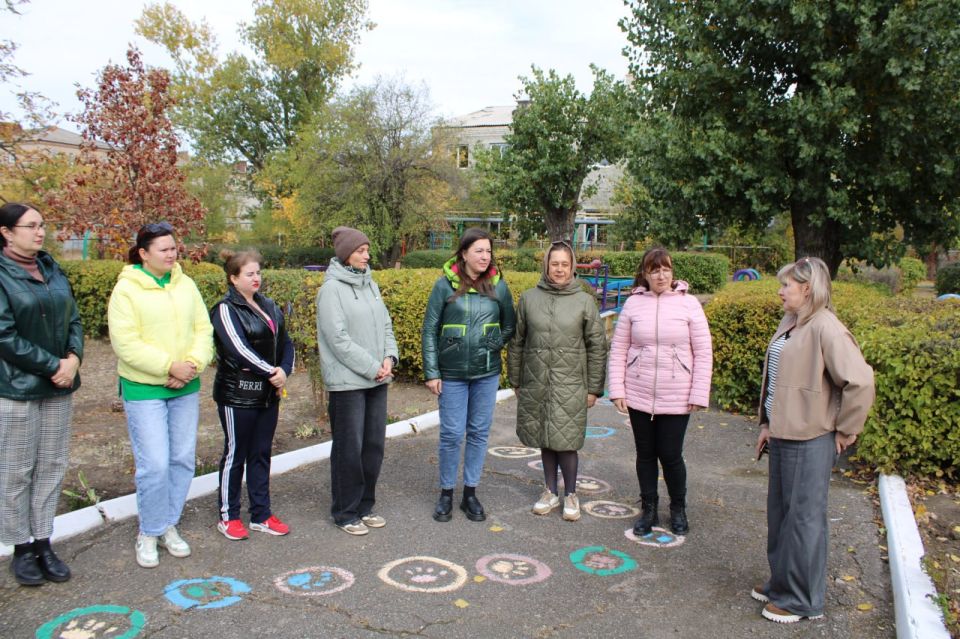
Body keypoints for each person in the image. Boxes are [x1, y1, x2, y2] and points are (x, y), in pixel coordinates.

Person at [752, 257, 874, 624]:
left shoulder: (826, 327)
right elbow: (778, 379)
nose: (780, 291)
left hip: (810, 438)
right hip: (783, 433)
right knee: (781, 516)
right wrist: (767, 424)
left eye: (786, 285)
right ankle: (782, 584)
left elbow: (860, 382)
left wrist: (846, 430)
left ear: (807, 289)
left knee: (804, 520)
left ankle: (802, 599)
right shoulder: (792, 322)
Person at [107, 222, 213, 568]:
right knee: (153, 464)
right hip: (144, 388)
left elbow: (203, 329)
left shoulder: (186, 284)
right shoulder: (126, 290)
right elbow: (126, 343)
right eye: (163, 249)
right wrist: (169, 367)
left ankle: (168, 523)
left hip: (185, 386)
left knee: (181, 458)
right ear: (143, 253)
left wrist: (192, 364)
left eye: (173, 248)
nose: (171, 254)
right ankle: (149, 531)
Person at [0, 203, 82, 586]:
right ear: (6, 232)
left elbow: (73, 319)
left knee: (51, 465)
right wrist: (53, 366)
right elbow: (4, 336)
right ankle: (21, 548)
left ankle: (44, 541)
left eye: (42, 225)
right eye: (30, 226)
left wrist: (74, 359)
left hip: (58, 387)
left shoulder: (51, 268)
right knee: (16, 470)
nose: (40, 232)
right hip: (17, 388)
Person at [608, 247, 712, 537]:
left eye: (666, 269)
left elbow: (703, 352)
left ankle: (678, 507)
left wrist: (698, 393)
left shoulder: (689, 304)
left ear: (672, 272)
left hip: (677, 393)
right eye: (655, 271)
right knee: (645, 454)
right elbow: (619, 349)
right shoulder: (633, 304)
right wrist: (617, 389)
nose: (661, 276)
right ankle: (649, 508)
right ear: (645, 274)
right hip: (639, 391)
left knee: (670, 454)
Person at [421, 228, 516, 523]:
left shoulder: (498, 285)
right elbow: (430, 329)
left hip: (486, 373)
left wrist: (495, 342)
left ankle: (470, 494)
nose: (485, 256)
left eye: (488, 251)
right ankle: (446, 494)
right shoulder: (443, 285)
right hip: (451, 374)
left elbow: (510, 325)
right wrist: (432, 371)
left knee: (478, 433)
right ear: (464, 253)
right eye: (479, 251)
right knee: (451, 434)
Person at [508, 241, 606, 522]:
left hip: (571, 383)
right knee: (545, 437)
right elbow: (517, 342)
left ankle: (571, 494)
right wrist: (516, 379)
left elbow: (597, 346)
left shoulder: (584, 301)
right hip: (537, 380)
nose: (559, 269)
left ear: (572, 266)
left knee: (566, 440)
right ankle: (550, 491)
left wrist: (594, 388)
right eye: (555, 264)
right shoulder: (529, 299)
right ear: (546, 266)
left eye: (565, 264)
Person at [316, 227, 398, 536]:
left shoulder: (370, 284)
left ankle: (365, 506)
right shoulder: (331, 290)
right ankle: (345, 512)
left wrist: (389, 357)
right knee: (349, 449)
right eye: (361, 250)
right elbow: (337, 339)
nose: (367, 255)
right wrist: (372, 367)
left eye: (367, 250)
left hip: (377, 378)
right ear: (345, 254)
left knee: (373, 447)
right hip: (348, 383)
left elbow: (386, 324)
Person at [211, 250, 295, 541]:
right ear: (233, 278)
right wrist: (271, 371)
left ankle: (261, 514)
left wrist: (284, 370)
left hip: (268, 394)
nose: (256, 278)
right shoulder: (225, 309)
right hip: (237, 394)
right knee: (236, 454)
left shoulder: (269, 305)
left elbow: (286, 342)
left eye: (258, 272)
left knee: (261, 453)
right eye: (249, 274)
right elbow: (238, 348)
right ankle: (228, 516)